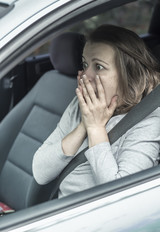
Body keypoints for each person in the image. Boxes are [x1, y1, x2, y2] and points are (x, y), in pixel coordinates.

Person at [32, 24, 160, 198]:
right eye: (85, 64)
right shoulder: (81, 105)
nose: (85, 76)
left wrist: (96, 130)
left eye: (98, 67)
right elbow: (40, 172)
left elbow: (121, 198)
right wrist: (84, 125)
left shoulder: (147, 121)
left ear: (128, 73)